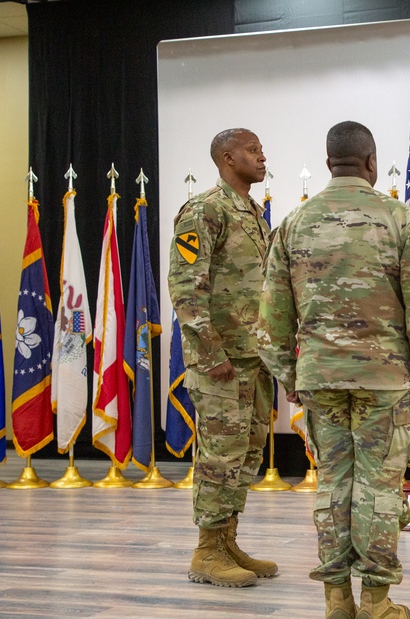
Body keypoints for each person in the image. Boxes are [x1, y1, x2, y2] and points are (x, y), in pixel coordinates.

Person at [258, 121, 410, 619]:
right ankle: (376, 605)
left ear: (327, 163)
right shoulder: (398, 219)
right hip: (384, 379)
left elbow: (271, 315)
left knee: (334, 486)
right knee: (379, 488)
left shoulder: (295, 222)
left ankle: (336, 604)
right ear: (371, 163)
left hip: (320, 377)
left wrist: (290, 376)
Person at [168, 128, 278, 588]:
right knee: (219, 454)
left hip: (253, 359)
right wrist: (211, 353)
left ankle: (227, 539)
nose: (261, 156)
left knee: (245, 453)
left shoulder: (253, 212)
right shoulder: (204, 210)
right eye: (253, 150)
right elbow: (185, 288)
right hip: (222, 361)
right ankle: (206, 551)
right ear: (227, 158)